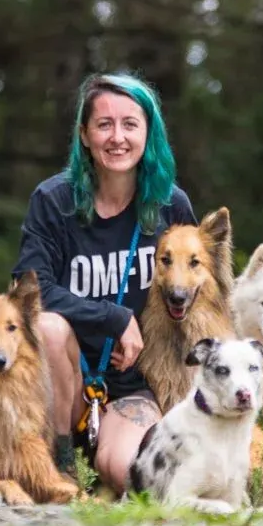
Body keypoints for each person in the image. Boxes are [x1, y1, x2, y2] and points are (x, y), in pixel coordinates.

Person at [12, 72, 196, 494]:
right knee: (48, 326)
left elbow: (200, 289)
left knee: (123, 471)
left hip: (133, 386)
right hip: (65, 383)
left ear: (148, 132)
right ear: (84, 134)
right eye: (104, 124)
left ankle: (104, 468)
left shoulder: (171, 206)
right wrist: (112, 317)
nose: (117, 137)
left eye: (130, 124)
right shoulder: (53, 201)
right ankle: (62, 463)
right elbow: (30, 290)